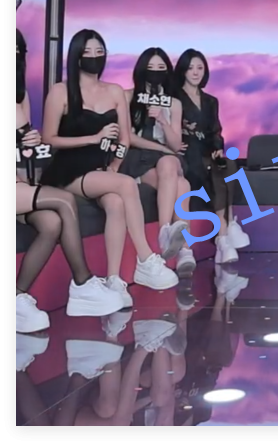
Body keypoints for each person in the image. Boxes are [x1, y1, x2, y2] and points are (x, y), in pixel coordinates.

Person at [40, 30, 178, 303]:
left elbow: (124, 139)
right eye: (88, 52)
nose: (94, 57)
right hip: (69, 170)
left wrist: (115, 164)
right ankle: (145, 258)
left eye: (99, 52)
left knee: (115, 202)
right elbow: (49, 138)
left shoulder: (114, 91)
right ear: (76, 56)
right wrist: (94, 138)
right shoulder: (60, 91)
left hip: (101, 169)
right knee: (126, 185)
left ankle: (113, 280)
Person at [16, 28, 125, 333]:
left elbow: (27, 149)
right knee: (64, 200)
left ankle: (18, 296)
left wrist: (27, 144)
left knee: (51, 223)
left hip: (19, 185)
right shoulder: (60, 91)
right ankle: (83, 282)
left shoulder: (20, 97)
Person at [174, 49, 248, 271]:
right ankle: (224, 233)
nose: (195, 73)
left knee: (227, 165)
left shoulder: (211, 101)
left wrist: (217, 148)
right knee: (206, 168)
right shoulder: (175, 99)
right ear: (183, 70)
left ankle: (226, 229)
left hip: (206, 151)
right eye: (191, 68)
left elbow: (215, 131)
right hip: (186, 152)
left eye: (200, 68)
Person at [122, 48, 192, 262]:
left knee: (169, 162)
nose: (155, 72)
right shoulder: (127, 97)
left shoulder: (174, 103)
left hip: (168, 158)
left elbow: (176, 144)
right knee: (182, 185)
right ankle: (185, 250)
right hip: (140, 158)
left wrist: (162, 120)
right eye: (150, 67)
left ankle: (165, 231)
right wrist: (162, 149)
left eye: (160, 67)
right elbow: (128, 137)